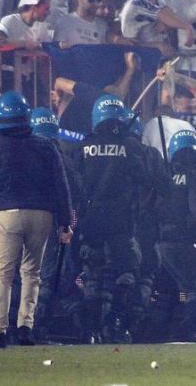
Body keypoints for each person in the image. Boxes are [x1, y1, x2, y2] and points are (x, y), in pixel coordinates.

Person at [0, 92, 72, 349]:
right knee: (32, 272)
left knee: (3, 274)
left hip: (8, 214)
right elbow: (60, 186)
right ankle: (25, 328)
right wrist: (65, 221)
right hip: (41, 214)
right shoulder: (46, 145)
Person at [70, 95, 161, 344]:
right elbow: (144, 180)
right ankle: (117, 324)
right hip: (122, 223)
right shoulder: (130, 148)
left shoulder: (83, 148)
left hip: (90, 223)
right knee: (126, 274)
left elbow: (74, 186)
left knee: (93, 277)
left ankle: (90, 330)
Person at [156, 129, 196, 340]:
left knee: (166, 291)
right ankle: (188, 334)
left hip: (159, 241)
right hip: (182, 241)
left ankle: (158, 335)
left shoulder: (163, 175)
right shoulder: (195, 177)